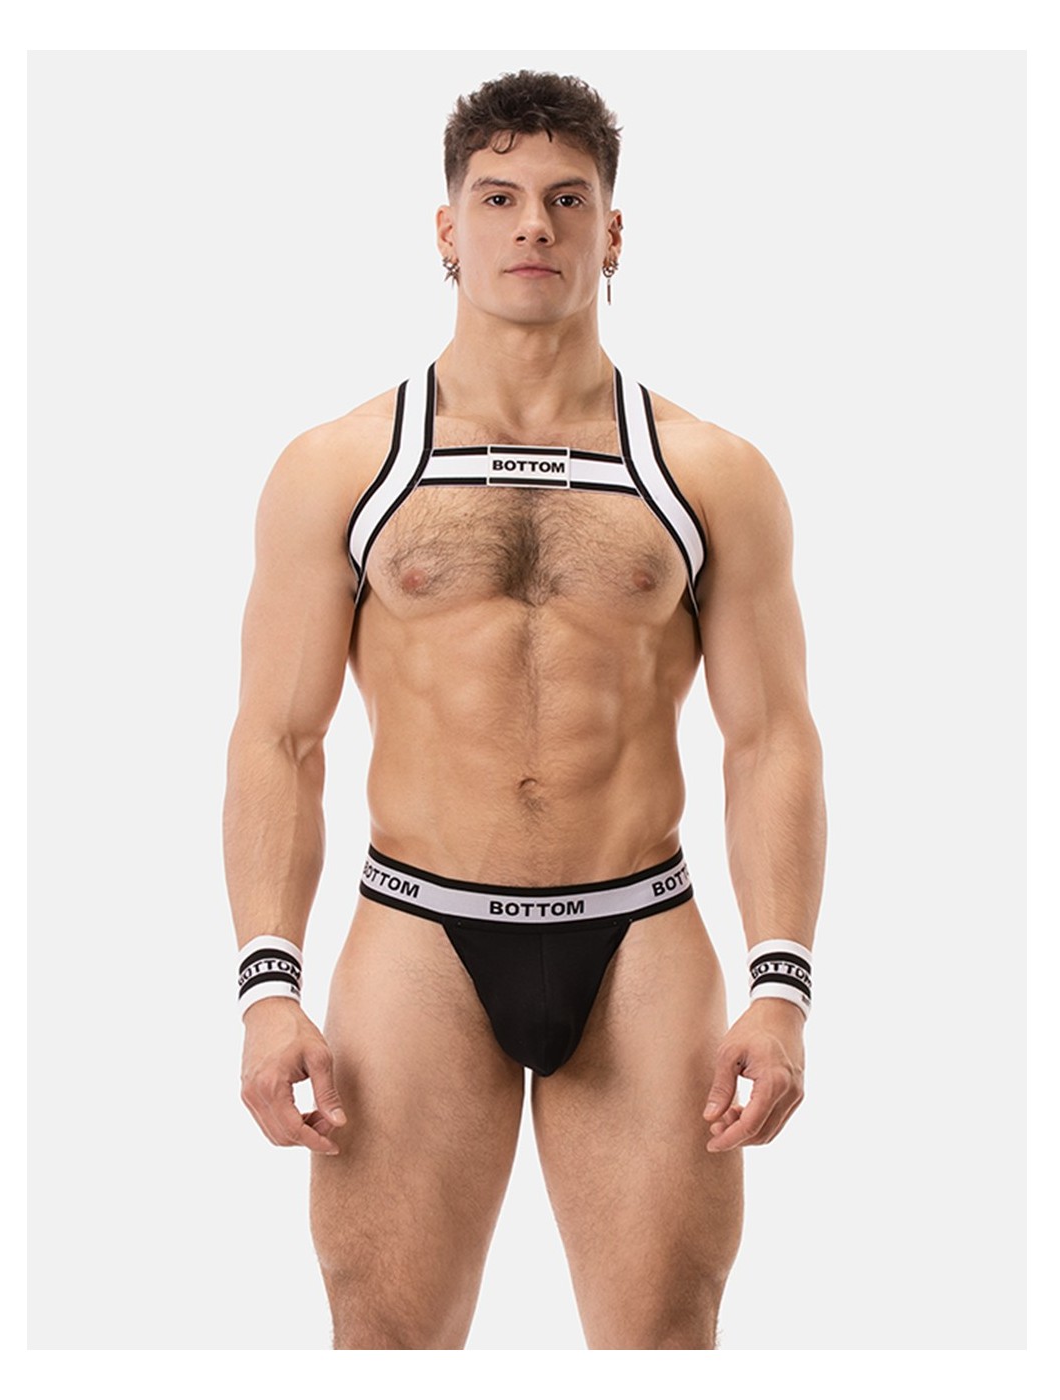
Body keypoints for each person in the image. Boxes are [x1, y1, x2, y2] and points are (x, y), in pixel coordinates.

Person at [223, 69, 826, 1351]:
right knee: (383, 1338)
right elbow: (279, 739)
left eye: (566, 198)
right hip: (419, 932)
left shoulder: (708, 472)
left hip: (638, 936)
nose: (532, 226)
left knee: (665, 1339)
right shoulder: (342, 467)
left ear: (613, 231)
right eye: (497, 198)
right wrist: (267, 986)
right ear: (447, 229)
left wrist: (781, 986)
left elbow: (770, 738)